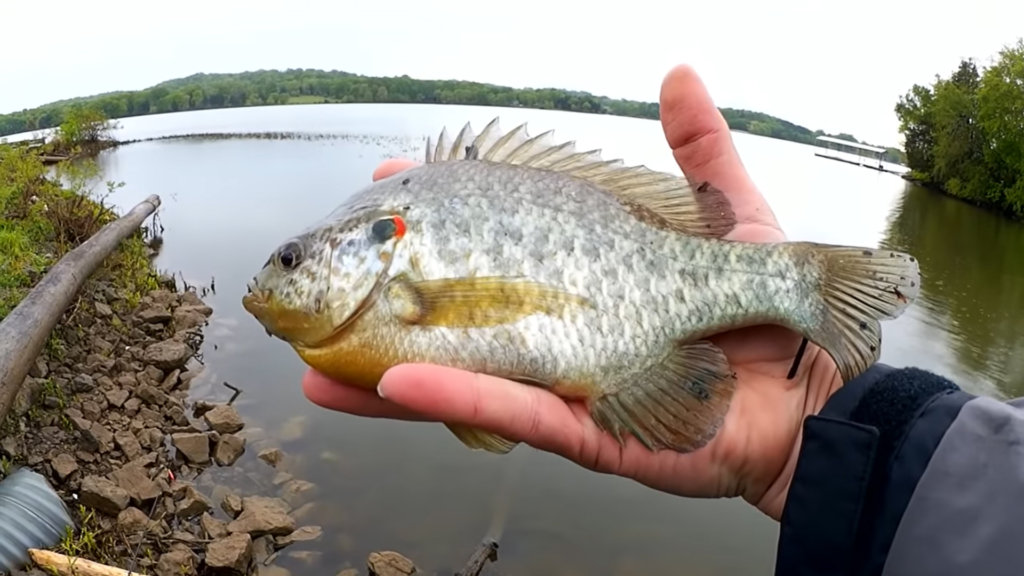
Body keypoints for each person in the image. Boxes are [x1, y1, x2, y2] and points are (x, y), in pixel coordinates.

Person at [301, 65, 1024, 576]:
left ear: (376, 246)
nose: (280, 279)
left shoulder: (398, 268)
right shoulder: (387, 268)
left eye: (296, 261)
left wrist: (829, 417)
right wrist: (852, 438)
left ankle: (800, 290)